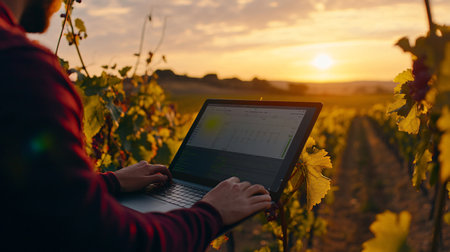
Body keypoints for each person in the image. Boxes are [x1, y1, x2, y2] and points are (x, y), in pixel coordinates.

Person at [0, 0, 272, 251]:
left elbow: (31, 196)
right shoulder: (21, 67)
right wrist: (210, 214)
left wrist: (109, 183)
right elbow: (106, 239)